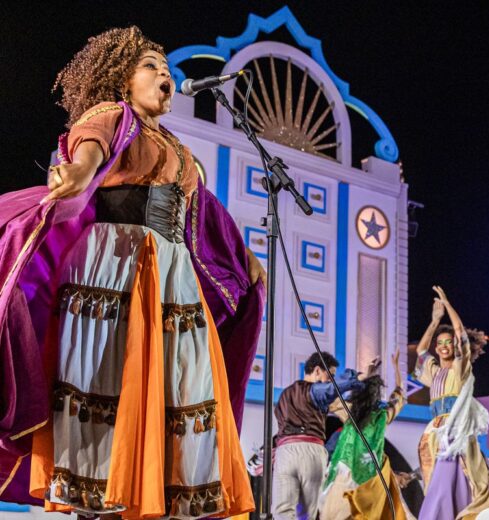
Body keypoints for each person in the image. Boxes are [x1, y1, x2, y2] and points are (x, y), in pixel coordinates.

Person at [0, 27, 266, 517]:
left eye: (168, 69)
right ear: (123, 79)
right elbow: (88, 151)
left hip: (171, 270)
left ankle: (159, 494)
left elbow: (202, 216)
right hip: (116, 262)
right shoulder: (111, 116)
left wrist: (243, 256)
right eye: (151, 67)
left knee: (179, 384)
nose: (165, 75)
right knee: (109, 376)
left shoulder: (180, 150)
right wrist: (76, 174)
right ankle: (96, 498)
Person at [415, 286, 489, 519]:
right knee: (437, 485)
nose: (444, 346)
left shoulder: (459, 368)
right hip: (434, 433)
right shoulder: (433, 372)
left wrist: (448, 305)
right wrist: (434, 321)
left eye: (449, 342)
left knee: (448, 486)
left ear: (455, 347)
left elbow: (460, 333)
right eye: (440, 342)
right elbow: (422, 350)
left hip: (455, 432)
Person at [320, 348, 416, 519]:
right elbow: (400, 394)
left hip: (350, 469)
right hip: (364, 473)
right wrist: (394, 369)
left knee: (339, 512)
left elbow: (332, 402)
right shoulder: (379, 414)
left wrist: (365, 375)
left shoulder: (353, 410)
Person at [273, 351, 370, 520]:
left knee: (282, 511)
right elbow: (332, 388)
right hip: (310, 451)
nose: (331, 379)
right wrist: (360, 377)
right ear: (317, 371)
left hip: (284, 452)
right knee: (306, 514)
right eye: (330, 375)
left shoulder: (284, 395)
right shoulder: (314, 391)